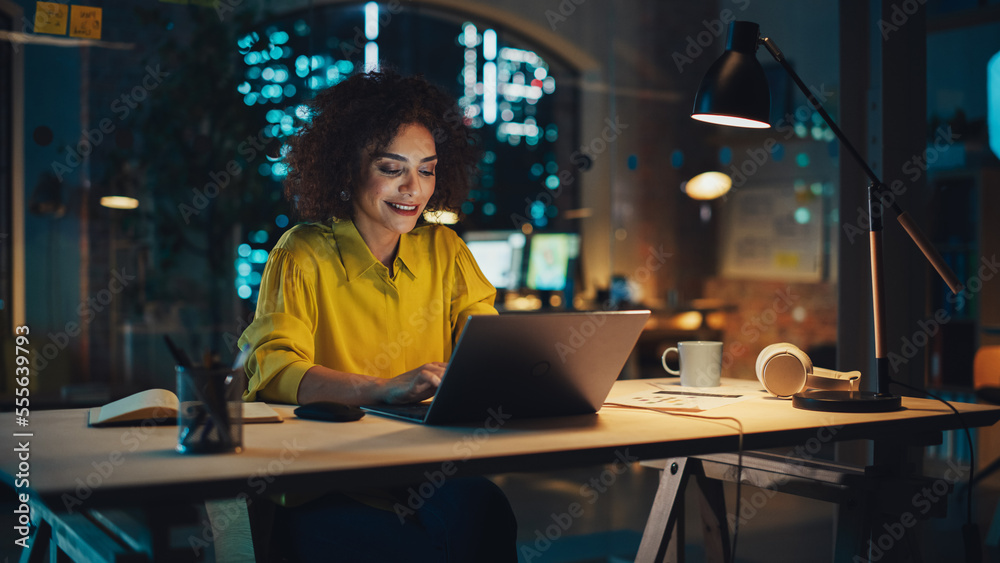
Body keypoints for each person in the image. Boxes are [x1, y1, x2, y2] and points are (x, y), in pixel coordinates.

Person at [238, 70, 517, 562]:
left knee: (486, 510)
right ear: (348, 170)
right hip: (325, 480)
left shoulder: (446, 249)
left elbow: (488, 343)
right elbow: (274, 370)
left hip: (421, 468)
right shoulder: (302, 253)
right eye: (393, 169)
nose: (414, 188)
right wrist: (380, 389)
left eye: (427, 170)